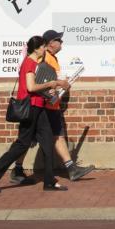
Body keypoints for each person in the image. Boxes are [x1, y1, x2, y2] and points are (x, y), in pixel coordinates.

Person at [0, 35, 71, 192]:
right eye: (43, 47)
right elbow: (30, 87)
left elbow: (36, 87)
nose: (45, 50)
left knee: (48, 141)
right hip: (30, 109)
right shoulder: (29, 63)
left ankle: (49, 181)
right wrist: (53, 83)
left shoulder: (33, 63)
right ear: (36, 49)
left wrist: (48, 89)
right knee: (22, 145)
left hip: (39, 107)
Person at [26, 29, 95, 184]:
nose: (61, 43)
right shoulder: (44, 58)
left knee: (55, 136)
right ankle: (16, 169)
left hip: (52, 104)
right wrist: (57, 85)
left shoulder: (52, 58)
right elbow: (39, 80)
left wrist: (62, 84)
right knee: (27, 139)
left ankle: (71, 169)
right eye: (59, 40)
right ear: (51, 43)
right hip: (46, 105)